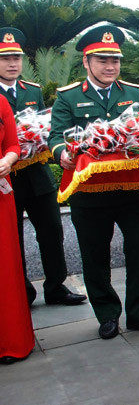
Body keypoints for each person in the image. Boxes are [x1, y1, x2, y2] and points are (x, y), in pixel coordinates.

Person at [48, 25, 139, 340]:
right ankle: (107, 315)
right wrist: (63, 154)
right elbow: (56, 135)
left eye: (114, 60)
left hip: (132, 188)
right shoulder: (69, 96)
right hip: (90, 192)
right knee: (94, 255)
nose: (110, 66)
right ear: (86, 62)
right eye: (102, 60)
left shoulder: (133, 92)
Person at [0, 28, 86, 308]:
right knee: (13, 239)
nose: (13, 64)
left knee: (51, 231)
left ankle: (56, 286)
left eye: (17, 58)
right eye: (6, 59)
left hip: (37, 175)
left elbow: (44, 130)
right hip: (6, 180)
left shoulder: (32, 92)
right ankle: (22, 289)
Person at [0, 89, 34, 364]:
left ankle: (10, 341)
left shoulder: (0, 103)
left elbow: (13, 145)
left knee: (5, 268)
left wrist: (7, 161)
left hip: (1, 196)